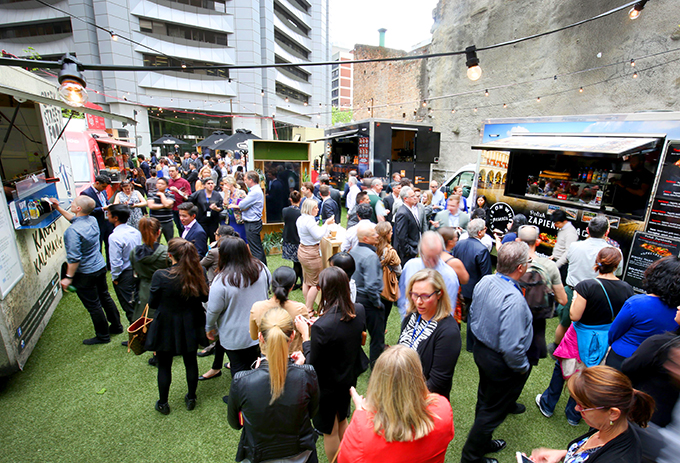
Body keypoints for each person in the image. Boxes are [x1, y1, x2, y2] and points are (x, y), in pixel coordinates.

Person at [537, 246, 627, 426]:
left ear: (597, 263)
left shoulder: (587, 286)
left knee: (562, 368)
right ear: (617, 265)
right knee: (588, 373)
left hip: (579, 335)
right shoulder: (626, 289)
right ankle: (574, 414)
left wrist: (574, 301)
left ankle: (548, 404)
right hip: (602, 338)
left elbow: (574, 316)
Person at [460, 241, 533, 463]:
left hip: (483, 351)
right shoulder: (514, 300)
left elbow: (473, 312)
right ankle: (471, 457)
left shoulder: (486, 280)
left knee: (486, 400)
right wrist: (522, 368)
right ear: (520, 268)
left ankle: (482, 442)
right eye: (528, 262)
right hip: (501, 361)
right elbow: (512, 346)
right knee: (491, 412)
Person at [294, 267, 367, 462]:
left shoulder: (322, 327)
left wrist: (306, 335)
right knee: (342, 420)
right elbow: (344, 331)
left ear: (325, 290)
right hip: (347, 378)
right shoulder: (358, 310)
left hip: (325, 386)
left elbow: (312, 364)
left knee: (329, 430)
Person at [228, 308, 319, 463]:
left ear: (260, 338)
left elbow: (235, 423)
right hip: (301, 454)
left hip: (259, 455)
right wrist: (299, 370)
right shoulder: (307, 374)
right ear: (292, 336)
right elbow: (312, 413)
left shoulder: (241, 381)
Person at [337, 345, 455, 463]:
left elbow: (344, 458)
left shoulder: (361, 430)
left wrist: (361, 412)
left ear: (377, 381)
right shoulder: (442, 410)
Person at [530, 366, 654, 463]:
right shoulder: (610, 427)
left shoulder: (618, 459)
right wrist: (564, 454)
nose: (576, 409)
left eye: (583, 406)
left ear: (613, 413)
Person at [144, 238, 209, 415]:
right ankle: (191, 397)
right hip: (191, 323)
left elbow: (153, 303)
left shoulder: (161, 275)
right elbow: (205, 298)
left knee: (164, 365)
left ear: (170, 255)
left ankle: (163, 402)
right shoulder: (200, 271)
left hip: (166, 325)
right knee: (191, 361)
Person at [50, 196, 123, 345]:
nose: (71, 203)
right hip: (99, 266)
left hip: (85, 273)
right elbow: (75, 219)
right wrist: (58, 208)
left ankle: (103, 336)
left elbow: (74, 258)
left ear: (78, 209)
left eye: (73, 203)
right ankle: (117, 326)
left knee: (93, 304)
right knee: (105, 296)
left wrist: (68, 277)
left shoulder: (72, 232)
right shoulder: (92, 220)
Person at [203, 237, 271, 383]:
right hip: (260, 329)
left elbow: (213, 310)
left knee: (239, 369)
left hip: (234, 336)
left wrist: (209, 327)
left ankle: (241, 401)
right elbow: (269, 286)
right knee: (257, 364)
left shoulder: (221, 280)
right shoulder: (261, 268)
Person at [554, 216, 622, 348]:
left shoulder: (575, 246)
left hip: (573, 292)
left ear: (587, 230)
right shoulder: (615, 252)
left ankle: (557, 349)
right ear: (607, 232)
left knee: (564, 324)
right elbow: (617, 273)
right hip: (599, 295)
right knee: (591, 327)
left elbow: (567, 260)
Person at [607, 256, 680, 370]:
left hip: (622, 357)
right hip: (655, 363)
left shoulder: (637, 303)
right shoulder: (678, 312)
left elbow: (614, 332)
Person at [398, 268, 461, 398]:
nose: (419, 301)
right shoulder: (412, 316)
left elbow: (437, 383)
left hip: (423, 402)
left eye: (425, 296)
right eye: (414, 294)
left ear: (439, 294)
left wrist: (404, 398)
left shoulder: (448, 332)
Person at [517, 225, 569, 365]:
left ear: (518, 240)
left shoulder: (510, 261)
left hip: (512, 318)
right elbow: (563, 300)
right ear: (538, 241)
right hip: (536, 323)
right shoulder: (549, 266)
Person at [622, 306, 680, 427]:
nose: (678, 307)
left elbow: (629, 367)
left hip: (643, 413)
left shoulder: (659, 343)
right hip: (664, 418)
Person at [397, 232, 460, 320]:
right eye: (427, 258)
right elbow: (403, 295)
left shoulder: (449, 276)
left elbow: (448, 310)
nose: (431, 262)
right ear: (420, 252)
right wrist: (405, 317)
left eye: (435, 257)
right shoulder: (410, 266)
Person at [452, 218, 492, 350]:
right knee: (472, 316)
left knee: (456, 314)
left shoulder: (458, 244)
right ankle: (470, 345)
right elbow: (486, 275)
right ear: (480, 232)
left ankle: (454, 340)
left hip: (458, 286)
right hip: (473, 290)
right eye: (485, 228)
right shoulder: (482, 250)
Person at [349, 222, 384, 368]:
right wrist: (377, 302)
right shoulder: (371, 256)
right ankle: (376, 367)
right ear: (365, 239)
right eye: (374, 234)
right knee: (377, 337)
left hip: (354, 298)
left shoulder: (353, 250)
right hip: (368, 302)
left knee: (355, 334)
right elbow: (371, 285)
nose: (377, 235)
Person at [249, 267, 308, 353]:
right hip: (294, 357)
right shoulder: (300, 309)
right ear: (292, 287)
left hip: (268, 357)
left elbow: (254, 336)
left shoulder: (257, 307)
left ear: (272, 283)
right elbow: (306, 333)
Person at [296, 198, 334, 313]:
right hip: (311, 253)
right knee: (316, 282)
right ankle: (308, 309)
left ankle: (307, 305)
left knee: (307, 280)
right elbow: (318, 235)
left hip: (303, 250)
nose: (317, 210)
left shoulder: (301, 219)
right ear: (309, 209)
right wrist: (326, 224)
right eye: (315, 208)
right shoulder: (309, 221)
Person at [106, 204, 141, 325]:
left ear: (115, 218)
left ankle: (138, 337)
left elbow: (116, 262)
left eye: (109, 214)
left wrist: (115, 277)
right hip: (137, 270)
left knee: (129, 306)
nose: (107, 216)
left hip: (125, 274)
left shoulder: (114, 237)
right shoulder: (135, 231)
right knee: (137, 302)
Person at [129, 217, 169, 321]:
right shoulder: (166, 254)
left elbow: (135, 272)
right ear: (159, 232)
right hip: (164, 292)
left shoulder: (134, 253)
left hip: (144, 292)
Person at [230, 171, 267, 265]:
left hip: (252, 223)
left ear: (251, 180)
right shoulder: (254, 191)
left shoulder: (255, 192)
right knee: (256, 246)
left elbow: (242, 204)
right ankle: (262, 267)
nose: (244, 181)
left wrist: (238, 204)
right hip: (252, 222)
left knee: (255, 248)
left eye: (245, 179)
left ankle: (260, 268)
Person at [80, 175, 114, 267]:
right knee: (97, 246)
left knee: (109, 245)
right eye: (103, 186)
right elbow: (87, 210)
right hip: (96, 223)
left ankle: (110, 265)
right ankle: (98, 265)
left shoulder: (102, 192)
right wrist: (103, 208)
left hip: (107, 222)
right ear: (97, 183)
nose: (104, 189)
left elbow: (105, 202)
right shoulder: (86, 193)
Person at [376, 221, 401, 329]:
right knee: (384, 317)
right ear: (386, 234)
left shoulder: (372, 248)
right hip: (385, 289)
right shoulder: (391, 253)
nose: (392, 233)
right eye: (391, 231)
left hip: (373, 286)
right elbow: (399, 271)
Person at [393, 186, 422, 265]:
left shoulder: (410, 210)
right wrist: (409, 252)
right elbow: (402, 236)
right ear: (405, 199)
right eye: (412, 196)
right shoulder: (403, 213)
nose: (415, 198)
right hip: (406, 255)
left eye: (415, 196)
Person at [282, 190, 303, 290]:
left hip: (288, 238)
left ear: (290, 199)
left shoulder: (285, 210)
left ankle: (297, 282)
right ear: (300, 199)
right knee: (298, 263)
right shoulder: (301, 213)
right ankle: (295, 282)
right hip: (297, 239)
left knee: (296, 262)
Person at [549, 209, 579, 281]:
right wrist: (554, 256)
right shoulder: (562, 229)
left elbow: (568, 252)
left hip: (562, 266)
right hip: (557, 262)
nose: (555, 225)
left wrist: (557, 265)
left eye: (557, 223)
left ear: (564, 221)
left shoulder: (570, 233)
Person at [147, 177, 175, 243]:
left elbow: (168, 204)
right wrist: (164, 205)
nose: (159, 185)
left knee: (170, 241)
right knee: (154, 242)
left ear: (167, 186)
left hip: (167, 222)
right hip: (155, 222)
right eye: (158, 183)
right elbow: (151, 206)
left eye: (162, 184)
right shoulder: (151, 194)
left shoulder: (170, 195)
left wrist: (162, 195)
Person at [222, 176, 248, 243]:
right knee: (232, 239)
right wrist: (225, 194)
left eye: (226, 183)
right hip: (230, 220)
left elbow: (246, 206)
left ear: (231, 184)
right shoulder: (228, 194)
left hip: (239, 220)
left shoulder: (240, 193)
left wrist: (235, 206)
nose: (224, 186)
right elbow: (225, 206)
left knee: (241, 239)